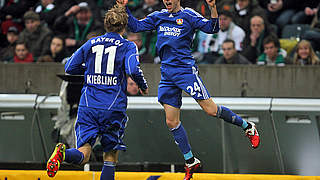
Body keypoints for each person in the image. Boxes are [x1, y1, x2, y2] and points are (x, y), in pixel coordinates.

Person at [117, 0, 260, 179]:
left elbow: (212, 28)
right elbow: (135, 26)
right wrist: (124, 7)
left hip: (185, 71)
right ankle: (191, 161)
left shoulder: (189, 15)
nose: (167, 1)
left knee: (211, 110)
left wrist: (213, 8)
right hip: (167, 73)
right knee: (171, 121)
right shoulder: (159, 16)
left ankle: (248, 126)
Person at [46, 5, 149, 180]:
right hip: (112, 106)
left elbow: (70, 67)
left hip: (88, 105)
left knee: (83, 153)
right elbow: (133, 68)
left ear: (105, 25)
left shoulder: (90, 43)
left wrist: (89, 68)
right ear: (124, 27)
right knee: (110, 154)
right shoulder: (128, 46)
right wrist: (142, 85)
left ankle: (63, 155)